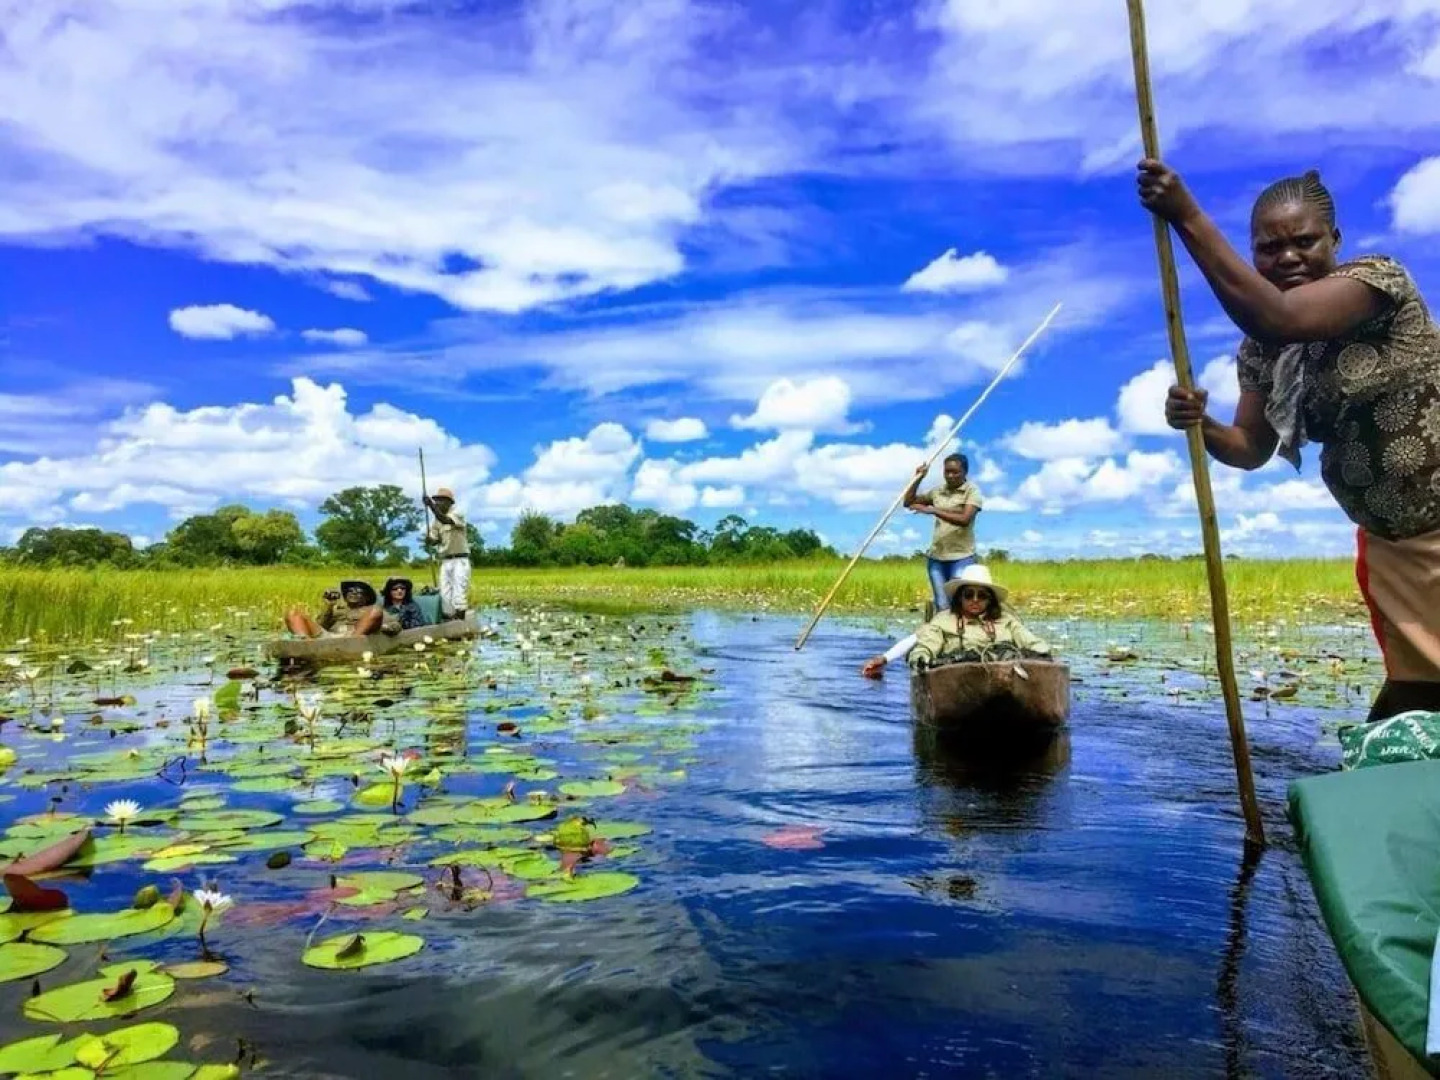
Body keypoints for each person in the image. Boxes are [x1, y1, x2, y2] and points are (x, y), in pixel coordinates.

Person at [1139, 158, 1440, 722]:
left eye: (1304, 242)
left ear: (1335, 240)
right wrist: (1200, 423)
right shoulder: (1260, 351)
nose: (1288, 258)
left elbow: (1280, 316)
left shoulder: (1378, 284)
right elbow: (1250, 449)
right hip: (1393, 549)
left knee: (1409, 714)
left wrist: (1185, 215)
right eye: (1268, 249)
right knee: (1417, 703)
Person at [906, 565, 1051, 672]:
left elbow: (1033, 643)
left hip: (1003, 678)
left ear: (990, 599)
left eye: (981, 596)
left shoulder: (1007, 621)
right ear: (960, 597)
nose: (975, 600)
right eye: (969, 594)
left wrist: (1043, 656)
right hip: (956, 681)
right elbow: (927, 646)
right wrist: (921, 659)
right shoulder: (943, 621)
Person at [903, 453, 984, 611]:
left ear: (965, 472)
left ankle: (962, 632)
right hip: (937, 557)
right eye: (947, 471)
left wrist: (933, 510)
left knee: (959, 602)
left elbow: (965, 519)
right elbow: (908, 502)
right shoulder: (938, 491)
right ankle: (941, 631)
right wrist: (918, 477)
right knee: (942, 604)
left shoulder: (972, 491)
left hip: (962, 556)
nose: (950, 475)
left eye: (955, 472)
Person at [423, 487, 470, 621]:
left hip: (460, 559)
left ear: (449, 502)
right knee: (444, 592)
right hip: (445, 560)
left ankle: (460, 617)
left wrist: (430, 505)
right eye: (436, 501)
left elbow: (445, 519)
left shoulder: (457, 513)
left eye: (441, 501)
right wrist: (430, 540)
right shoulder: (436, 521)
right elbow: (435, 540)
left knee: (459, 590)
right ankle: (448, 618)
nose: (438, 503)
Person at [286, 580, 382, 638]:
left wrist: (386, 627)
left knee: (375, 611)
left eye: (358, 591)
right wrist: (329, 606)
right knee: (293, 613)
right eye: (350, 591)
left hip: (353, 637)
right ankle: (305, 644)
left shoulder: (371, 610)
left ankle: (351, 642)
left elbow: (394, 625)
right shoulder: (337, 609)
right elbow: (320, 625)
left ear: (367, 597)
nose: (353, 593)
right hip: (330, 636)